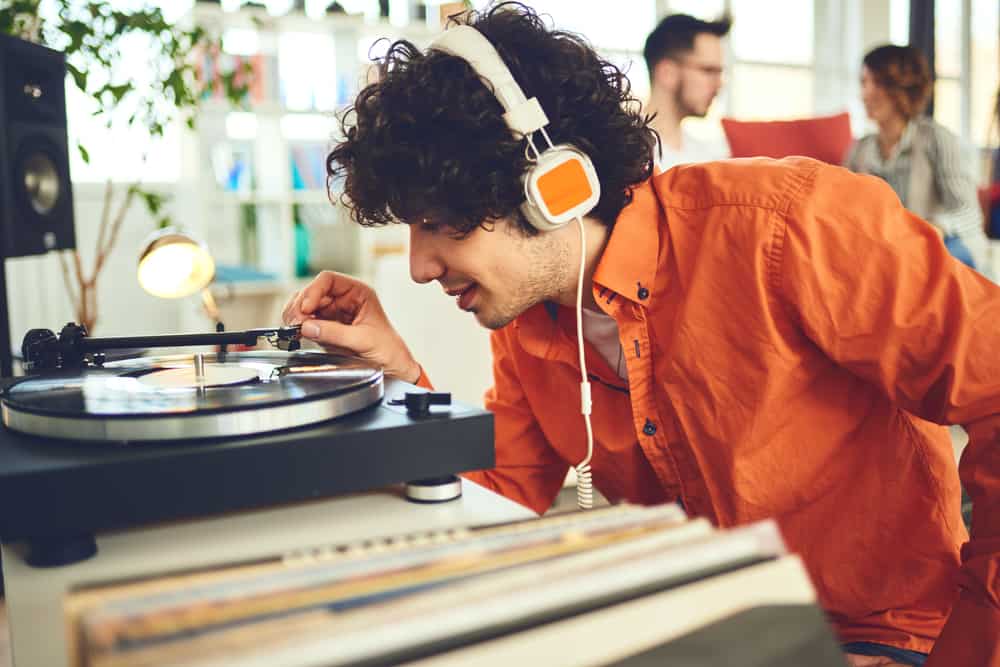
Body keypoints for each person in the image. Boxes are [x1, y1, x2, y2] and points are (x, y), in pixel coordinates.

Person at [283, 4, 1000, 666]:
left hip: (877, 633)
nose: (417, 267)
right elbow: (497, 499)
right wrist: (400, 381)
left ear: (550, 182)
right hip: (706, 633)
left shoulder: (786, 227)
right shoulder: (529, 322)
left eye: (439, 223)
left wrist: (969, 650)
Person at [845, 44, 989, 273]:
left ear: (902, 89)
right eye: (864, 83)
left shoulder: (937, 139)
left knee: (920, 263)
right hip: (891, 249)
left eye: (878, 83)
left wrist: (934, 228)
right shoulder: (859, 151)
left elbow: (968, 213)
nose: (865, 94)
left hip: (946, 243)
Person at [642, 13, 731, 170]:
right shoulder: (623, 153)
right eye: (708, 71)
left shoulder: (711, 158)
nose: (719, 84)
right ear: (667, 72)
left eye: (720, 73)